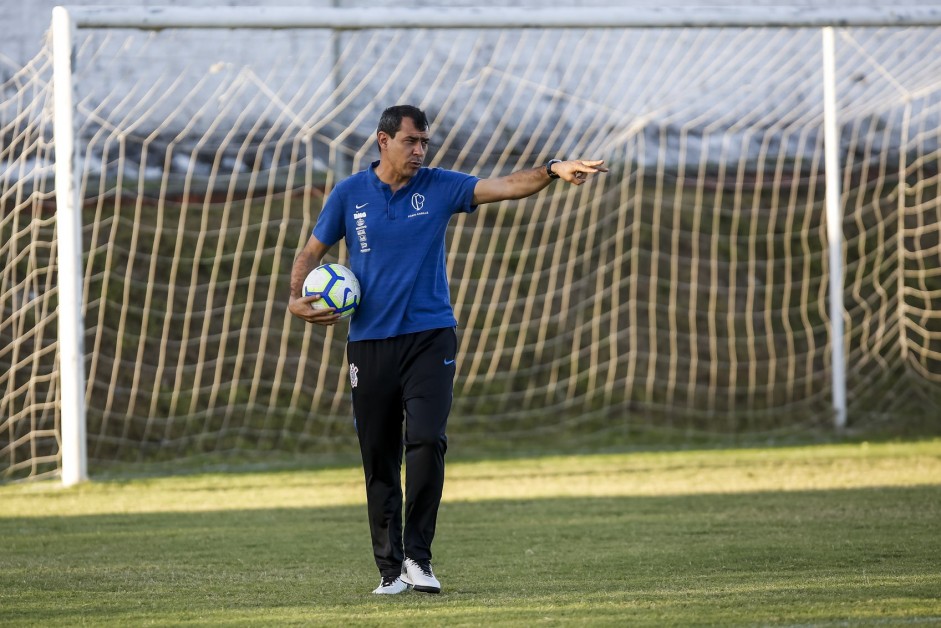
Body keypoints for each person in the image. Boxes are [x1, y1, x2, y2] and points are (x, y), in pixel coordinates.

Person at [288, 104, 606, 595]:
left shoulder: (439, 186)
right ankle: (389, 571)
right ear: (383, 140)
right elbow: (311, 253)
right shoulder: (349, 193)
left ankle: (418, 558)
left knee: (427, 440)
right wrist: (296, 300)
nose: (419, 151)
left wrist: (551, 169)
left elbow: (506, 185)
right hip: (369, 343)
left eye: (424, 143)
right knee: (378, 453)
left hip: (430, 335)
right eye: (411, 141)